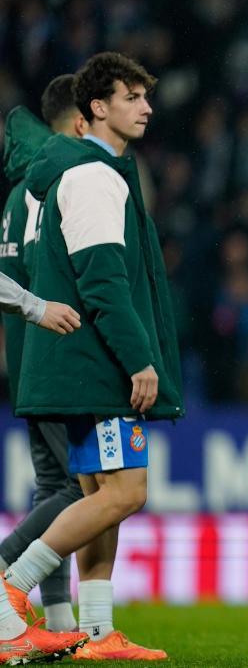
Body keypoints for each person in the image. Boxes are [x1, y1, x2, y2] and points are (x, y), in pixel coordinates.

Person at [1, 51, 183, 662]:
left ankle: (98, 633)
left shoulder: (82, 174)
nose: (146, 107)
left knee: (99, 494)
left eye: (146, 96)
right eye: (132, 97)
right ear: (96, 108)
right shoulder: (93, 176)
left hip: (79, 364)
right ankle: (10, 588)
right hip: (99, 367)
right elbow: (103, 282)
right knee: (126, 492)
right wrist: (140, 360)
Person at [1, 75, 89, 634]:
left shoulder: (17, 191)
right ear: (82, 119)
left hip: (25, 353)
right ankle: (6, 565)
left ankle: (57, 619)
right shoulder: (62, 179)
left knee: (53, 485)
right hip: (58, 355)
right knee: (82, 489)